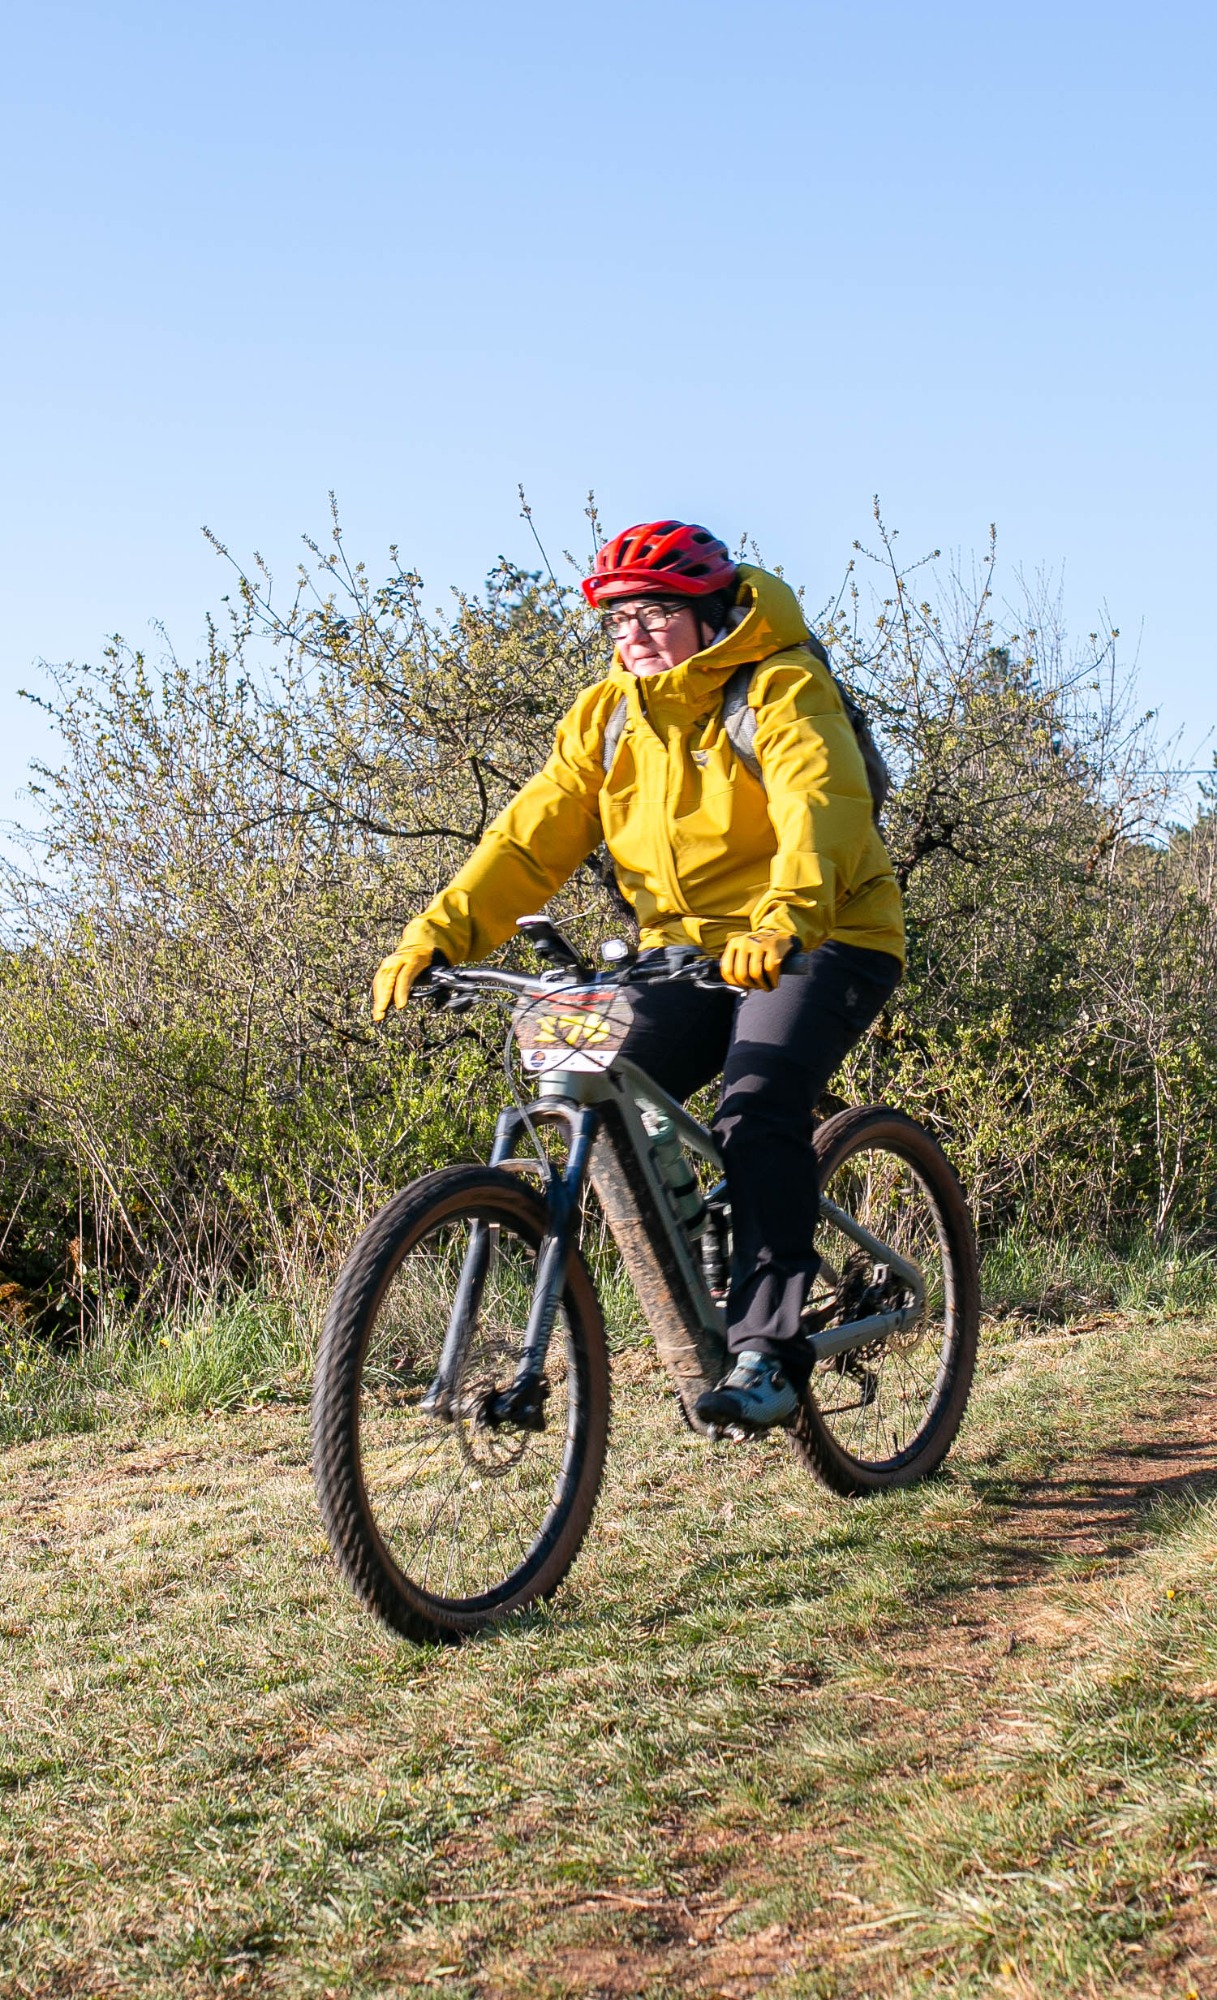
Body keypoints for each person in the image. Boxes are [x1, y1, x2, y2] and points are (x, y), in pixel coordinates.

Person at [372, 519, 905, 1431]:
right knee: (588, 1086)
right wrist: (437, 937)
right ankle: (703, 1254)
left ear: (711, 613)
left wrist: (785, 916)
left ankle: (767, 1353)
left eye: (657, 612)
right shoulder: (608, 715)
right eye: (619, 619)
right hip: (683, 953)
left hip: (822, 933)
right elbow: (527, 840)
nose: (636, 634)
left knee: (756, 1110)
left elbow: (822, 806)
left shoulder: (779, 686)